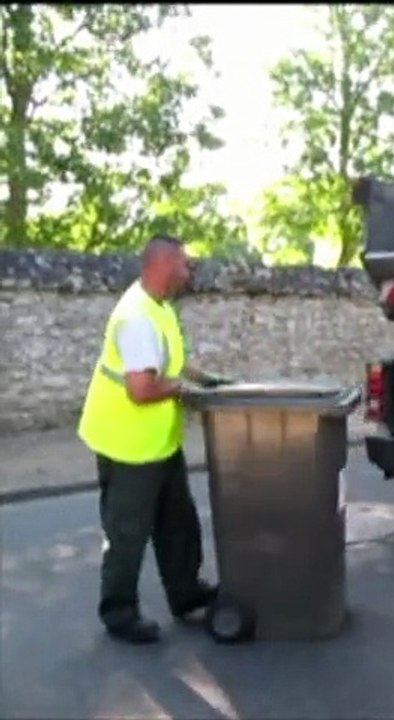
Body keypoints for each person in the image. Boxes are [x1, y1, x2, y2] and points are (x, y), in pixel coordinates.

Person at [77, 234, 226, 644]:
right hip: (127, 444)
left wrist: (207, 379)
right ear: (161, 264)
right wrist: (184, 390)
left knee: (178, 524)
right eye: (183, 263)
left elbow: (170, 361)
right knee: (127, 534)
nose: (189, 269)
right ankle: (119, 613)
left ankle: (187, 593)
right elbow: (141, 389)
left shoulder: (159, 307)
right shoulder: (137, 317)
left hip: (158, 443)